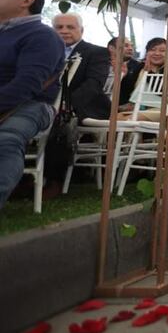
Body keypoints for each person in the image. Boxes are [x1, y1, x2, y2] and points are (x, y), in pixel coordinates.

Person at [0, 0, 64, 209]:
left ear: (26, 0)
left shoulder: (41, 35)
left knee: (5, 140)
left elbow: (26, 85)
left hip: (31, 105)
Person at [44, 13, 111, 197]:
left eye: (70, 27)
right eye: (59, 27)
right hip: (49, 103)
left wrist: (65, 104)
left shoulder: (96, 52)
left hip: (86, 105)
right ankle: (25, 176)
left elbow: (94, 84)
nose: (64, 31)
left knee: (61, 120)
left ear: (81, 30)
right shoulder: (46, 52)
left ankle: (54, 180)